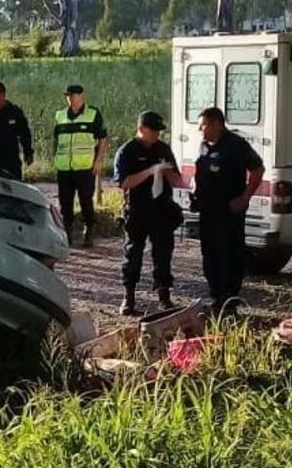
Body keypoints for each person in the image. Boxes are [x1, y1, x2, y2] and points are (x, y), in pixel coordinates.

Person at [192, 107, 264, 316]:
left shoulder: (236, 145)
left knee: (229, 255)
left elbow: (258, 169)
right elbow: (200, 172)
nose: (200, 130)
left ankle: (229, 301)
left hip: (228, 212)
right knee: (210, 254)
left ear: (216, 124)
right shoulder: (203, 145)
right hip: (207, 210)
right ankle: (216, 296)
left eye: (203, 125)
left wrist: (245, 197)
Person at [113, 111, 185, 315]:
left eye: (158, 131)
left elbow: (176, 180)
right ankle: (129, 296)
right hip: (137, 210)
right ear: (141, 128)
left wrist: (166, 171)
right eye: (153, 130)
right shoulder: (127, 151)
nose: (156, 135)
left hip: (162, 209)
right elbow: (124, 182)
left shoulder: (163, 149)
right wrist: (150, 171)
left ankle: (164, 295)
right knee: (132, 253)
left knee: (163, 254)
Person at [53, 84, 108, 247]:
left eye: (74, 95)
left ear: (81, 96)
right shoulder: (60, 115)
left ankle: (88, 230)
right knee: (65, 202)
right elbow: (56, 140)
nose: (70, 98)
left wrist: (99, 160)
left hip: (85, 167)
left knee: (86, 201)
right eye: (68, 96)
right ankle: (67, 234)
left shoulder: (92, 114)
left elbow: (103, 138)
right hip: (64, 168)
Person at [0, 81, 34, 180]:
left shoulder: (14, 112)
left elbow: (24, 133)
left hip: (11, 161)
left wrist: (28, 152)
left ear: (3, 95)